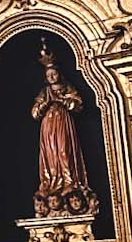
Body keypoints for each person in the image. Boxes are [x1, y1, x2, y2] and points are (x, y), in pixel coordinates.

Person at [31, 41, 95, 217]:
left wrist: (64, 101)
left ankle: (69, 182)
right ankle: (52, 183)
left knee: (64, 152)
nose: (52, 77)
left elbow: (78, 105)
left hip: (63, 124)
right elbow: (35, 113)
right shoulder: (45, 92)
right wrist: (45, 105)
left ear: (59, 74)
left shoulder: (67, 88)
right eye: (49, 75)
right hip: (48, 126)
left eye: (54, 73)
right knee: (51, 155)